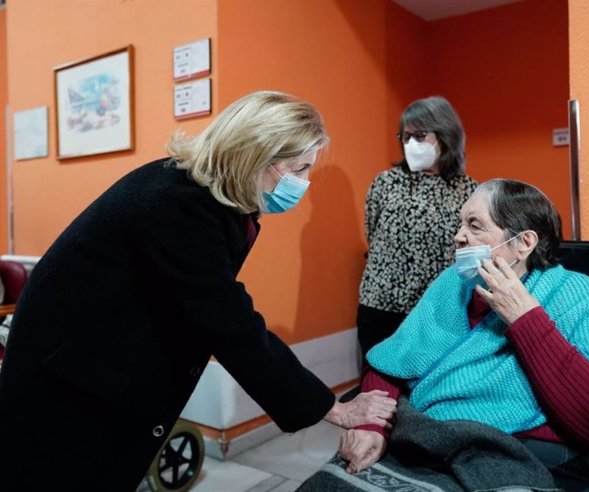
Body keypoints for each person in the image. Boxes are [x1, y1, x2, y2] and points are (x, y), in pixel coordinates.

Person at [0, 91, 396, 491]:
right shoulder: (177, 204)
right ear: (255, 155)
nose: (304, 183)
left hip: (92, 368)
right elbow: (229, 322)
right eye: (299, 169)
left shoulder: (208, 200)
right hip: (66, 385)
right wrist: (331, 407)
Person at [337, 179, 589, 490]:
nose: (458, 236)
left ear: (524, 243)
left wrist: (525, 319)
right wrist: (370, 425)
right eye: (460, 224)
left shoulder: (575, 294)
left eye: (474, 225)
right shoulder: (452, 284)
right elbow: (390, 362)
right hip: (422, 434)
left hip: (507, 449)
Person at [357, 96, 477, 357]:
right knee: (379, 384)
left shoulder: (468, 190)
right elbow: (372, 232)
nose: (411, 144)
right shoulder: (386, 182)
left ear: (445, 136)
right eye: (405, 136)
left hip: (438, 307)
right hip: (381, 304)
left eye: (420, 136)